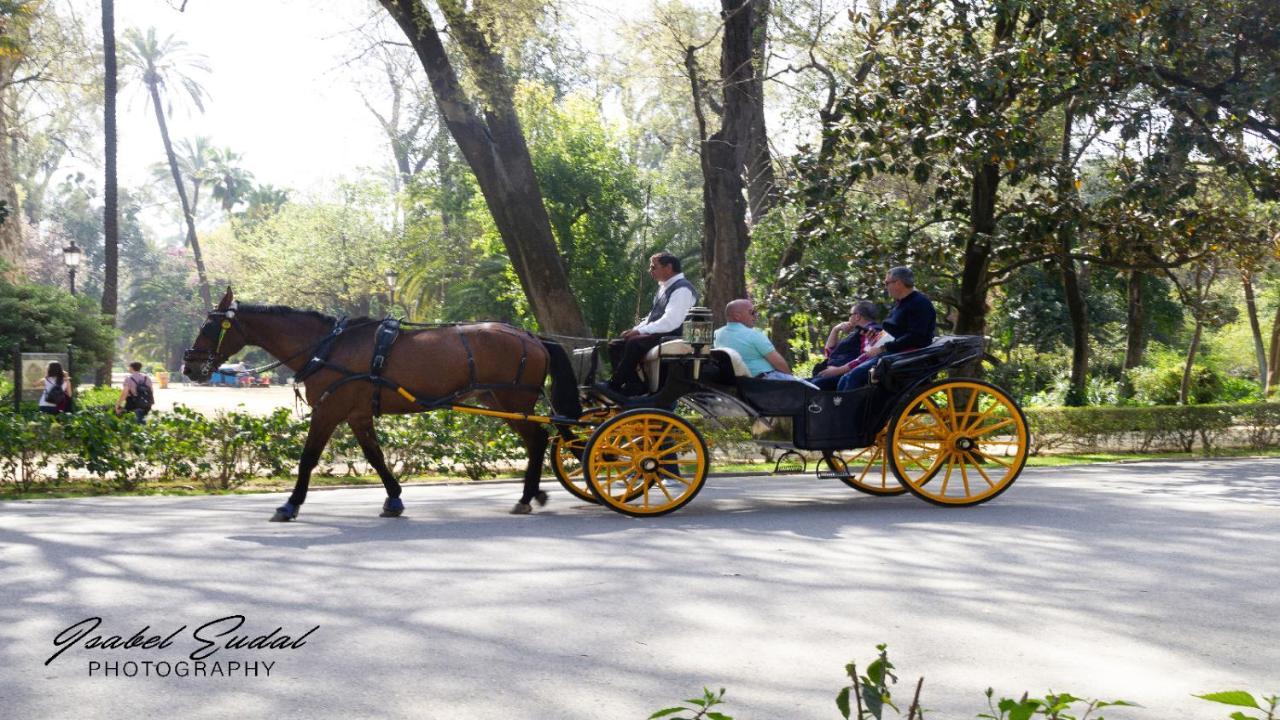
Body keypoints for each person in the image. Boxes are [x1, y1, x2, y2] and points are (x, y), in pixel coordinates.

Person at [598, 251, 698, 397]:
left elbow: (672, 321)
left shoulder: (682, 288)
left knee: (634, 343)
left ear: (668, 267)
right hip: (662, 332)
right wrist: (635, 329)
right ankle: (634, 384)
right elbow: (652, 317)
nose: (650, 271)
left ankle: (616, 384)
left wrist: (640, 332)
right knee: (616, 344)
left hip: (674, 335)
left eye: (653, 267)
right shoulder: (664, 288)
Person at [836, 266, 937, 392]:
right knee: (845, 377)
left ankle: (849, 410)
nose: (886, 287)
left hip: (906, 355)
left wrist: (883, 348)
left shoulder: (920, 303)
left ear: (898, 283)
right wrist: (874, 336)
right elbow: (894, 331)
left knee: (854, 377)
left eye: (887, 283)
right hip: (891, 352)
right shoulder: (900, 303)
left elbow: (916, 336)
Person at [713, 299, 817, 386]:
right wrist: (790, 381)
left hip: (739, 383)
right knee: (814, 389)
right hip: (764, 381)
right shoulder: (753, 334)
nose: (756, 316)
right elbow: (779, 363)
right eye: (752, 312)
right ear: (737, 316)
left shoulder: (717, 334)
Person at [810, 300, 886, 391]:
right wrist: (836, 329)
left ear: (857, 316)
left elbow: (867, 357)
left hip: (843, 377)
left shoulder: (870, 332)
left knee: (810, 387)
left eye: (850, 315)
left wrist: (837, 371)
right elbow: (830, 353)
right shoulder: (856, 334)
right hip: (832, 374)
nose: (848, 318)